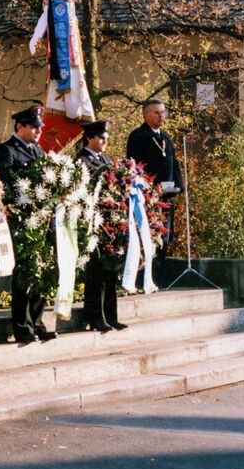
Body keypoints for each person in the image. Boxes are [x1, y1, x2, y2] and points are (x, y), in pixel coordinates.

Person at [0, 105, 57, 344]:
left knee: (40, 272)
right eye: (34, 127)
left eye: (40, 127)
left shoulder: (38, 151)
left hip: (40, 219)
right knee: (24, 275)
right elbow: (5, 183)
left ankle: (38, 323)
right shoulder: (5, 151)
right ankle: (22, 327)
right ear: (20, 126)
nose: (39, 132)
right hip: (20, 221)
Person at [76, 120, 128, 333]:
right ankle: (96, 317)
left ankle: (111, 316)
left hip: (111, 222)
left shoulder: (106, 160)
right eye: (101, 137)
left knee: (110, 272)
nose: (105, 140)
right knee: (96, 273)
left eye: (106, 136)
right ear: (89, 138)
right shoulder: (81, 161)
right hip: (95, 222)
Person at [126, 98, 182, 287]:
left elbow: (175, 165)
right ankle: (144, 279)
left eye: (163, 112)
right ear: (146, 114)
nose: (161, 116)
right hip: (148, 198)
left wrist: (179, 185)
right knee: (148, 236)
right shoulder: (138, 136)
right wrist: (150, 187)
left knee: (164, 237)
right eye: (157, 112)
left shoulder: (165, 137)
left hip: (166, 196)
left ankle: (160, 277)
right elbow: (134, 167)